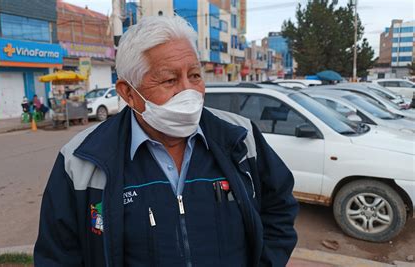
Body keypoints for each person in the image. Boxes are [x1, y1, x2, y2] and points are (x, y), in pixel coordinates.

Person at [34, 15, 298, 267]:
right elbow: (58, 255)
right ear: (129, 93)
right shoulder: (81, 160)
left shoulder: (241, 137)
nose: (189, 92)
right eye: (170, 79)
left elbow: (280, 210)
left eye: (194, 75)